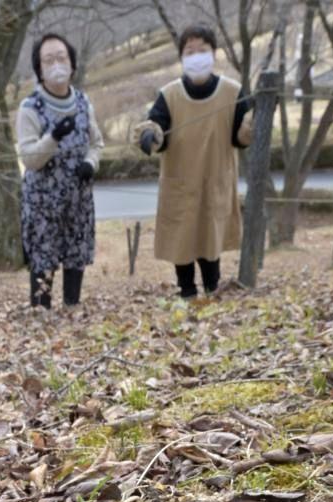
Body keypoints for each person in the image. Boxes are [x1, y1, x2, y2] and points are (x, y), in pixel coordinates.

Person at [138, 25, 253, 298]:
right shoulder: (169, 94)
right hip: (181, 180)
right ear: (181, 57)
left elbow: (241, 137)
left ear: (214, 54)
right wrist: (148, 135)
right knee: (182, 238)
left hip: (216, 178)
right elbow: (157, 128)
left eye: (203, 50)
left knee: (211, 236)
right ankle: (187, 292)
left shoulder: (232, 92)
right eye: (190, 51)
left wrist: (253, 123)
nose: (197, 56)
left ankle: (213, 289)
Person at [16, 33, 104, 309]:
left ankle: (72, 309)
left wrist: (91, 163)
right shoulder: (30, 108)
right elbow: (29, 158)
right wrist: (52, 137)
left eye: (61, 57)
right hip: (43, 204)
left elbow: (96, 143)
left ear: (72, 63)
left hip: (77, 200)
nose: (57, 64)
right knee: (43, 261)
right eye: (49, 59)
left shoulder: (82, 102)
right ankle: (40, 314)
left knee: (76, 257)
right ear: (39, 68)